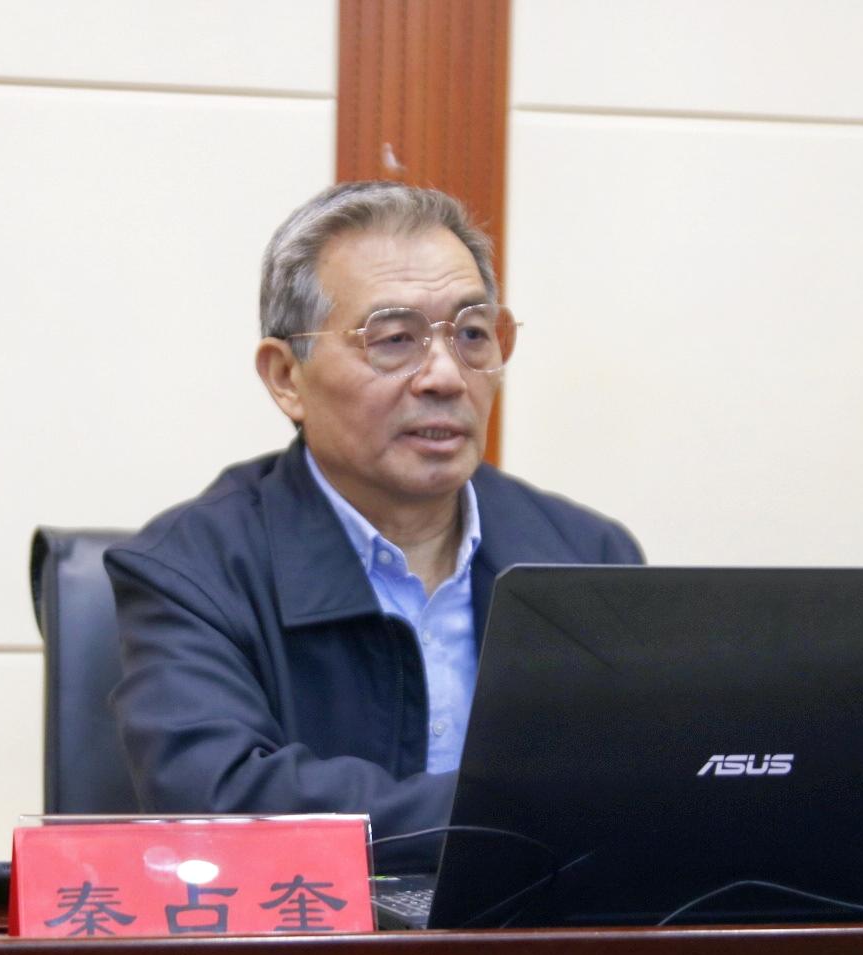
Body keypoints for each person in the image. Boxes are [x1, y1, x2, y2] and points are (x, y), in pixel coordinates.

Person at [105, 181, 641, 870]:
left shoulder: (588, 556)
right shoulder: (190, 572)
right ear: (286, 377)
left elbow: (648, 787)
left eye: (472, 334)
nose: (446, 376)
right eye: (394, 339)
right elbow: (222, 804)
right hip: (312, 936)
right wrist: (528, 814)